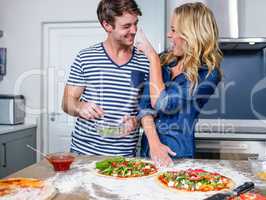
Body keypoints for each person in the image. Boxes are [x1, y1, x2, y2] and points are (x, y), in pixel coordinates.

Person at [136, 2, 223, 166]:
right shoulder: (164, 61)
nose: (169, 35)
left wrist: (152, 57)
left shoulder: (208, 74)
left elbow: (162, 103)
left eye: (174, 30)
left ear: (191, 34)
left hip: (177, 156)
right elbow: (144, 106)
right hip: (149, 151)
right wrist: (155, 145)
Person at [62, 0, 149, 156]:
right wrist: (80, 107)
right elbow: (67, 103)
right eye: (126, 26)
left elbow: (148, 108)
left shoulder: (145, 61)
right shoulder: (85, 57)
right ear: (107, 25)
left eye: (136, 23)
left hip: (124, 157)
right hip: (83, 154)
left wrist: (136, 120)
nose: (134, 30)